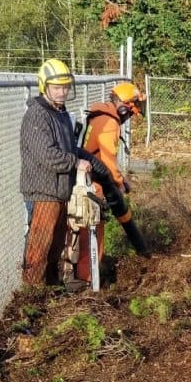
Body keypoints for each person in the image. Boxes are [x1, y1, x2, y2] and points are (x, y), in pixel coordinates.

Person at [20, 58, 112, 288]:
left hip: (60, 191)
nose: (62, 92)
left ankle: (50, 289)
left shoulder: (60, 113)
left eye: (65, 87)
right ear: (45, 86)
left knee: (56, 246)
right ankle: (32, 294)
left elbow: (70, 148)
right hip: (43, 191)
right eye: (57, 88)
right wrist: (76, 162)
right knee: (39, 248)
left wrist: (93, 162)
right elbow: (47, 155)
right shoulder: (38, 115)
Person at [74, 81, 151, 281]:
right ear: (125, 107)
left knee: (88, 227)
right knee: (93, 227)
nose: (131, 115)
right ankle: (88, 277)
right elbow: (108, 159)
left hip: (91, 177)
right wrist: (118, 184)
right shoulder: (109, 123)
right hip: (93, 182)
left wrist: (120, 179)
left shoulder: (100, 116)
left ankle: (89, 272)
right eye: (132, 110)